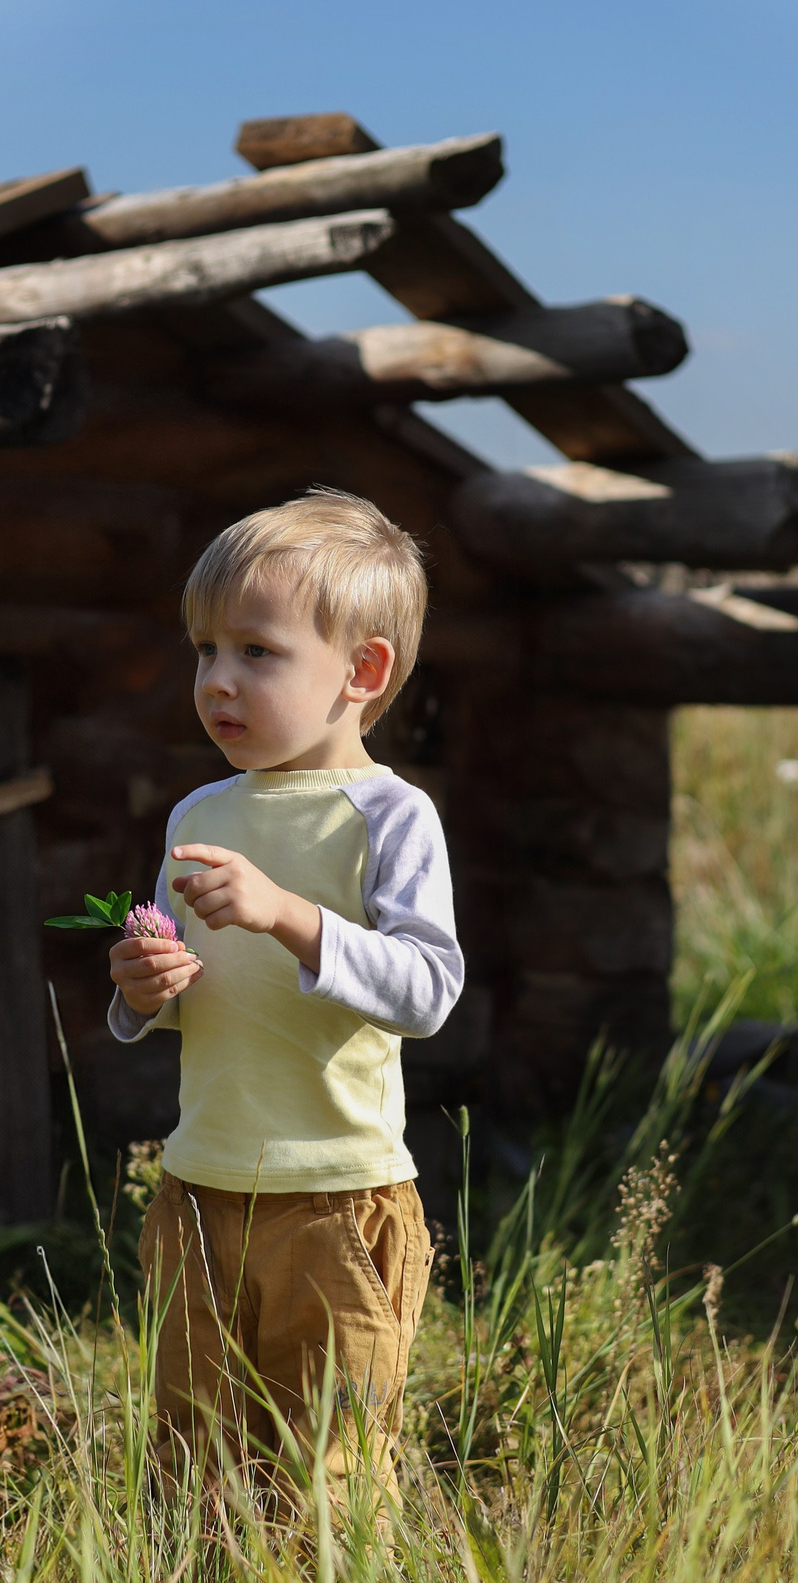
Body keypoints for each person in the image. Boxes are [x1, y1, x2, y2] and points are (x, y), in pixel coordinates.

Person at [106, 488, 463, 1509]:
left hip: (335, 1200)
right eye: (204, 650)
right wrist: (144, 989)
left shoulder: (390, 816)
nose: (217, 680)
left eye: (256, 652)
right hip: (199, 1189)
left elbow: (428, 989)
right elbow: (191, 995)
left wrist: (290, 916)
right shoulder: (198, 810)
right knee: (193, 1456)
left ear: (361, 673)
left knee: (330, 1469)